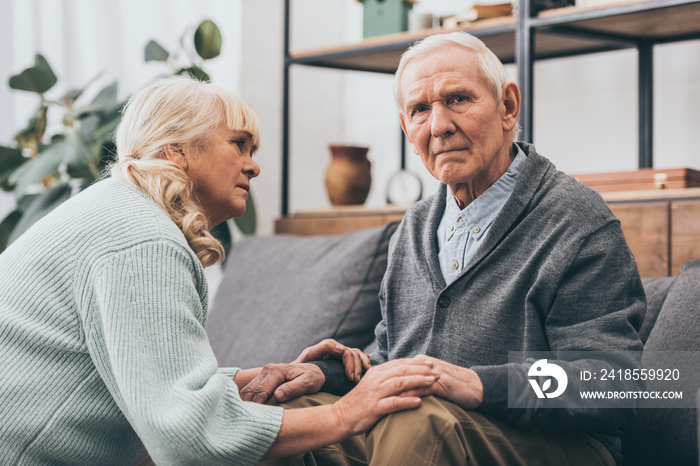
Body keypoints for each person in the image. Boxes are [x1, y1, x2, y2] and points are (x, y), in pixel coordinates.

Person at [0, 76, 440, 465]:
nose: (254, 165)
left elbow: (151, 381)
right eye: (239, 144)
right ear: (176, 151)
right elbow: (187, 437)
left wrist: (257, 375)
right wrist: (347, 413)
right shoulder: (140, 238)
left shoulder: (118, 213)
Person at [253, 32, 646, 466]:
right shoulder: (416, 225)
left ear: (508, 107)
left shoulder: (577, 219)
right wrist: (324, 375)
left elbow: (615, 383)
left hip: (558, 447)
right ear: (406, 127)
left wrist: (478, 385)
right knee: (277, 421)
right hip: (421, 429)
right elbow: (395, 359)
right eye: (420, 109)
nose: (438, 125)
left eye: (457, 99)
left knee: (416, 419)